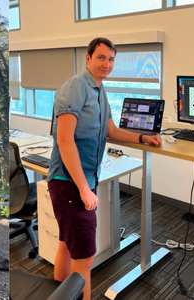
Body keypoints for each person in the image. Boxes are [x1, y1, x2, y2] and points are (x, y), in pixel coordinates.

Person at [46, 37, 161, 300]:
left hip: (81, 181)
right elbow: (64, 140)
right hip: (70, 183)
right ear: (88, 58)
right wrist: (85, 190)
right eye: (101, 57)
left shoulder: (100, 90)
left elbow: (111, 130)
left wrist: (143, 138)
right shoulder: (75, 86)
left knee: (66, 246)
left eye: (111, 59)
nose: (106, 64)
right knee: (84, 260)